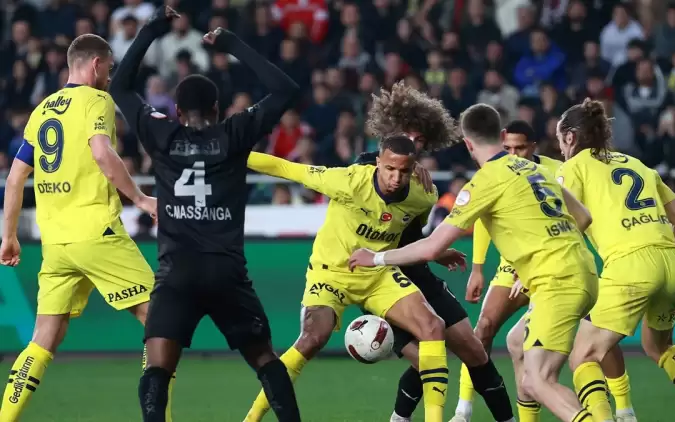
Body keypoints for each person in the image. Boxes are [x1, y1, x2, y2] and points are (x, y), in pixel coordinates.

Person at [349, 103, 605, 422]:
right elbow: (584, 216)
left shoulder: (483, 183)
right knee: (518, 348)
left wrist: (375, 257)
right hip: (585, 273)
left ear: (468, 144)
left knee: (538, 380)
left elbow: (432, 247)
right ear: (501, 135)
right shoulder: (536, 169)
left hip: (557, 282)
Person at [107, 8, 302, 422]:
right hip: (226, 272)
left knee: (158, 370)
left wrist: (152, 30)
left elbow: (119, 85)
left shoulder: (161, 133)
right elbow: (285, 89)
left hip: (177, 273)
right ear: (217, 108)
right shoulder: (234, 132)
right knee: (265, 360)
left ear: (177, 111)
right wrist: (232, 45)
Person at [243, 135, 466, 422]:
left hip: (378, 274)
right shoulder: (348, 181)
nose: (396, 178)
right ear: (378, 163)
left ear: (413, 169)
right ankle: (252, 418)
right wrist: (231, 154)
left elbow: (410, 235)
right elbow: (286, 168)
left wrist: (436, 252)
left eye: (404, 171)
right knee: (313, 338)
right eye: (390, 169)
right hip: (331, 272)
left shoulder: (424, 195)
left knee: (433, 327)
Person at [0, 33, 163, 421]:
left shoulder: (42, 109)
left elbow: (15, 177)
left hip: (55, 243)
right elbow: (102, 152)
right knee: (161, 320)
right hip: (95, 231)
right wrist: (141, 199)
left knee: (44, 337)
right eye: (109, 68)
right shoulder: (96, 100)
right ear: (95, 64)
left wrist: (8, 236)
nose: (109, 76)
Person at [554, 99, 675, 422]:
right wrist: (662, 262)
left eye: (560, 140)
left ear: (570, 137)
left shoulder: (572, 167)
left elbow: (566, 221)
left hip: (630, 264)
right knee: (660, 347)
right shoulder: (638, 165)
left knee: (583, 355)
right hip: (672, 263)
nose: (560, 149)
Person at [454, 120, 635, 422]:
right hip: (518, 265)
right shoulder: (495, 175)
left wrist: (550, 251)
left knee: (590, 343)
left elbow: (581, 216)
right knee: (491, 331)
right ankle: (463, 409)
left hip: (553, 265)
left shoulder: (553, 170)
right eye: (508, 148)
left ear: (533, 146)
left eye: (520, 148)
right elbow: (485, 222)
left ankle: (623, 408)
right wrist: (478, 267)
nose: (514, 153)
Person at [360, 82, 514, 422]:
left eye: (420, 141)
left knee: (474, 351)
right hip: (380, 280)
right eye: (408, 136)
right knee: (427, 359)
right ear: (390, 132)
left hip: (417, 274)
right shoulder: (364, 168)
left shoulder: (422, 183)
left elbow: (410, 234)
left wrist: (437, 251)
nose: (414, 145)